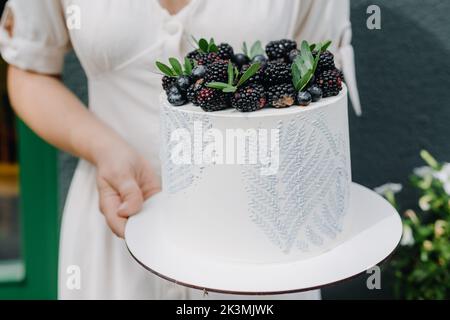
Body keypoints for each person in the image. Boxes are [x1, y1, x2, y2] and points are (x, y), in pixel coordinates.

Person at [0, 0, 360, 299]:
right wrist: (102, 147)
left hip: (261, 238)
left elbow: (318, 84)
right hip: (123, 215)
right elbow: (30, 70)